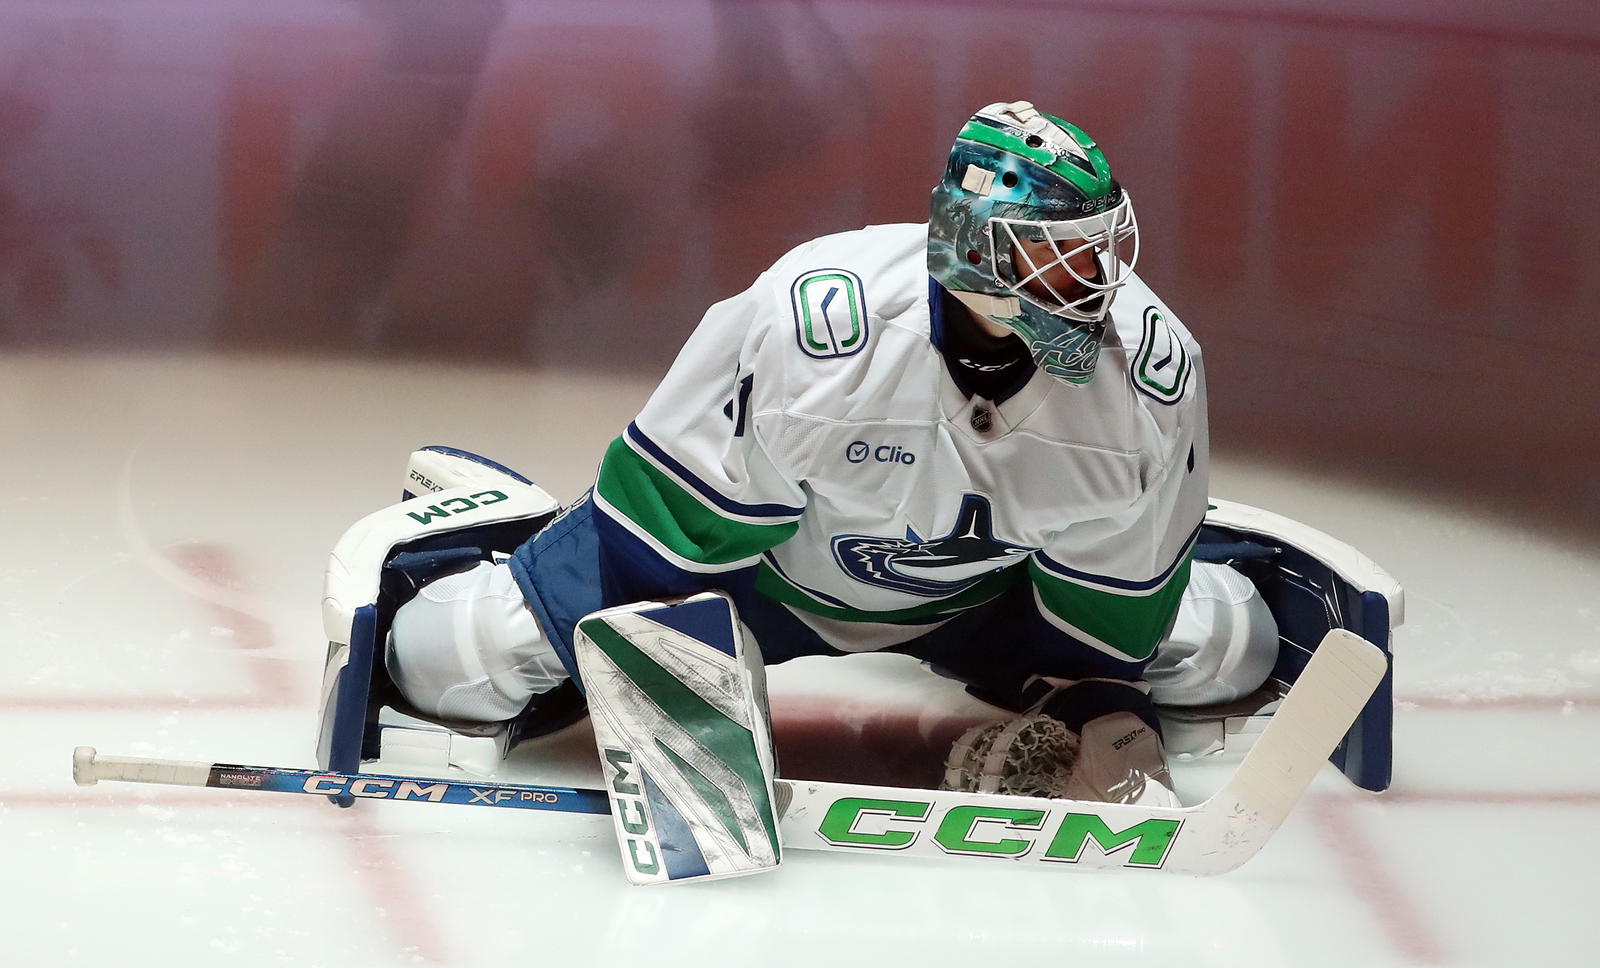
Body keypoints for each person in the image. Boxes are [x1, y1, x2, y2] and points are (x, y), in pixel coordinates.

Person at [376, 101, 1278, 806]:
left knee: (1234, 647)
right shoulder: (814, 325)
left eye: (1096, 255)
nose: (1092, 286)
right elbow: (661, 550)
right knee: (440, 660)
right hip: (756, 584)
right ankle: (527, 530)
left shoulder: (1152, 369)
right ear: (970, 251)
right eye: (1052, 259)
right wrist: (680, 676)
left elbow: (1099, 621)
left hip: (983, 600)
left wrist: (1083, 700)